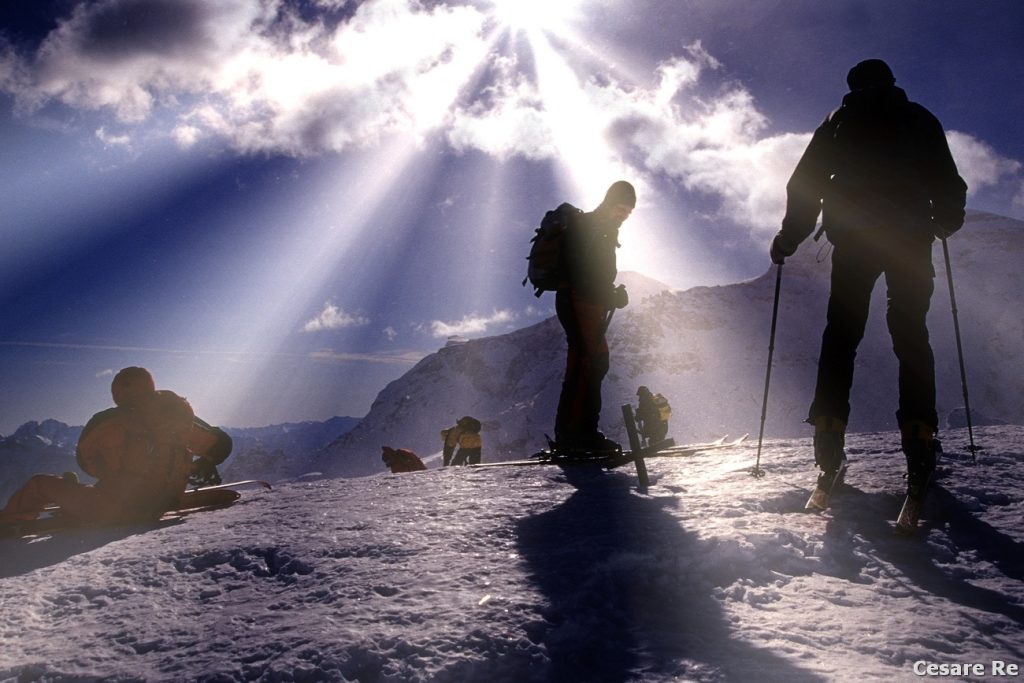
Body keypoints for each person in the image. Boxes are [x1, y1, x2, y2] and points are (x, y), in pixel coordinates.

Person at [769, 59, 967, 496]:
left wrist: (788, 239)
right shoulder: (918, 118)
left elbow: (805, 184)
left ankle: (828, 444)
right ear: (893, 82)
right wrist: (944, 222)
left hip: (855, 239)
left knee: (842, 334)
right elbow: (948, 181)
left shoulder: (837, 123)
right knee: (910, 331)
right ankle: (919, 440)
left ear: (852, 87)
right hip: (910, 238)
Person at [0, 367, 232, 526]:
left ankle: (10, 522)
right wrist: (199, 464)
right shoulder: (182, 418)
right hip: (164, 502)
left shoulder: (106, 421)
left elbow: (87, 464)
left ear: (119, 391)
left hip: (114, 508)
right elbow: (221, 445)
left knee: (39, 483)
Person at [553, 180, 635, 453]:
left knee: (590, 362)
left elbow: (593, 272)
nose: (623, 214)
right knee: (589, 362)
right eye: (621, 207)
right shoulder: (593, 226)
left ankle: (578, 433)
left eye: (628, 211)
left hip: (584, 301)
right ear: (609, 202)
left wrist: (610, 293)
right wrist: (607, 294)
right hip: (579, 300)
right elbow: (582, 272)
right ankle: (577, 436)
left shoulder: (602, 228)